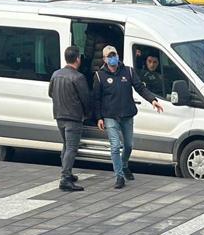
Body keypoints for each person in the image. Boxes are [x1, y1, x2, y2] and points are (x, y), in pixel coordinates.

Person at [92, 45, 163, 189]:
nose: (113, 58)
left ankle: (124, 165)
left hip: (127, 114)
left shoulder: (128, 71)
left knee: (129, 145)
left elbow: (140, 88)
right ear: (105, 59)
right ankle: (119, 176)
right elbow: (96, 99)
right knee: (115, 145)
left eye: (115, 55)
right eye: (110, 56)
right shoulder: (100, 76)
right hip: (110, 116)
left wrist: (153, 100)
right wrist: (99, 117)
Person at [49, 46, 91, 192]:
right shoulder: (78, 77)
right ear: (78, 59)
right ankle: (65, 178)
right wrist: (88, 114)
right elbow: (85, 99)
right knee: (71, 148)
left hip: (59, 115)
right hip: (74, 117)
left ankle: (67, 173)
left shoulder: (55, 74)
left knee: (66, 146)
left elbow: (50, 93)